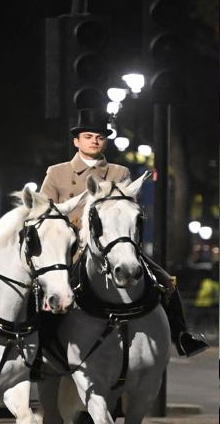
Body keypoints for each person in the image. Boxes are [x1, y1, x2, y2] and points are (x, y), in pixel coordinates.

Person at [39, 108, 207, 356]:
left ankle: (182, 335)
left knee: (165, 282)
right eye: (88, 136)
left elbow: (129, 212)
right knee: (39, 287)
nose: (95, 140)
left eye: (100, 136)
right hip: (71, 247)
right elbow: (43, 213)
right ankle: (39, 347)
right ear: (76, 141)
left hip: (114, 245)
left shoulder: (120, 173)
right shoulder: (57, 172)